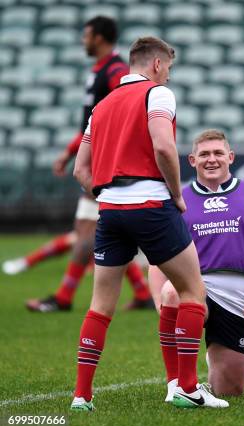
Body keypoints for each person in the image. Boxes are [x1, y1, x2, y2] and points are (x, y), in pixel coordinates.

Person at [69, 36, 227, 411]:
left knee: (99, 306)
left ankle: (81, 396)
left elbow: (80, 169)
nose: (168, 77)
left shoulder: (102, 106)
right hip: (151, 204)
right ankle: (187, 388)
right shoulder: (157, 95)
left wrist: (109, 197)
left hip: (109, 211)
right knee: (192, 292)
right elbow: (163, 146)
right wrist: (175, 193)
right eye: (168, 68)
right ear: (156, 64)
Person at [148, 129, 244, 401]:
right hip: (192, 288)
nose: (211, 159)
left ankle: (205, 357)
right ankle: (178, 385)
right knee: (172, 293)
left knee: (231, 388)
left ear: (231, 157)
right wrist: (161, 302)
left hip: (237, 300)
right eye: (204, 154)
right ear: (192, 160)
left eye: (217, 153)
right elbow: (158, 259)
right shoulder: (177, 200)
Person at [23, 16, 153, 312]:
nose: (84, 40)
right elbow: (91, 124)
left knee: (87, 231)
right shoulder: (100, 70)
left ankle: (64, 298)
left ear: (100, 38)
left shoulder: (115, 71)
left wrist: (82, 154)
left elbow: (120, 113)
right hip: (97, 157)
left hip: (103, 162)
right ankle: (143, 293)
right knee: (93, 229)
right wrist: (70, 152)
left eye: (87, 35)